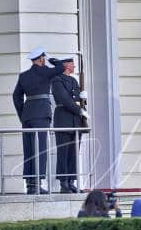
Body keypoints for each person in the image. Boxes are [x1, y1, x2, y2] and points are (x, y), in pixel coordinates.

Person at [13, 47, 64, 194]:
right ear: (41, 58)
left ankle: (30, 183)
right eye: (44, 58)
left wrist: (22, 114)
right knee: (40, 149)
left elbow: (16, 96)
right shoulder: (45, 71)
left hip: (27, 115)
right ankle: (37, 183)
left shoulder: (24, 76)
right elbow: (60, 67)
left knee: (28, 149)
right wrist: (52, 60)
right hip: (41, 114)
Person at [51, 57, 89, 193]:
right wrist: (79, 110)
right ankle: (64, 183)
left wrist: (83, 99)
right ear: (66, 66)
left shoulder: (73, 81)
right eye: (72, 65)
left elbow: (77, 98)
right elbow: (64, 99)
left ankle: (71, 181)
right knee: (63, 152)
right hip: (63, 119)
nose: (74, 67)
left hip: (75, 121)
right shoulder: (57, 80)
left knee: (74, 153)